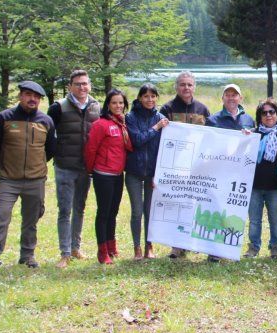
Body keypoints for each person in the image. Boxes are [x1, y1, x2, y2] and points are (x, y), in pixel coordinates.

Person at [0, 81, 56, 277]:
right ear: (20, 96)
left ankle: (27, 255)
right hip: (9, 179)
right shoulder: (5, 118)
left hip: (36, 180)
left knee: (32, 218)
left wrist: (36, 167)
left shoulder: (46, 121)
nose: (32, 99)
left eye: (36, 97)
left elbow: (50, 149)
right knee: (0, 215)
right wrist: (4, 166)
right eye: (28, 95)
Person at [47, 69, 101, 269]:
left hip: (85, 168)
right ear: (70, 86)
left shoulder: (96, 106)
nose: (82, 87)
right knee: (65, 210)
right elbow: (47, 134)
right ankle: (65, 253)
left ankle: (76, 247)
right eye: (77, 84)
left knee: (80, 208)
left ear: (90, 85)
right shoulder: (58, 107)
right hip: (65, 166)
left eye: (85, 83)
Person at [159, 71, 211, 258]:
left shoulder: (203, 110)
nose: (186, 88)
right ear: (176, 87)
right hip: (175, 165)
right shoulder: (166, 109)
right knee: (177, 203)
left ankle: (192, 240)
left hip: (197, 165)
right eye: (182, 84)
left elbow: (211, 138)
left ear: (194, 87)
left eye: (189, 84)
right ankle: (176, 244)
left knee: (194, 203)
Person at [85, 89, 133, 265]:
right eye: (114, 103)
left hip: (118, 174)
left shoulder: (123, 124)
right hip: (103, 174)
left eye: (121, 103)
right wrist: (91, 170)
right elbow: (91, 149)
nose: (118, 106)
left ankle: (112, 246)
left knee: (113, 212)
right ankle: (102, 251)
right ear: (108, 105)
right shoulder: (101, 124)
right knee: (103, 213)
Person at [125, 83, 169, 260]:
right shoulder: (131, 117)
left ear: (157, 98)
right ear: (139, 98)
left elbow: (165, 148)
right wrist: (156, 128)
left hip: (152, 173)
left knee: (150, 211)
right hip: (134, 172)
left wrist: (159, 173)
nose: (150, 100)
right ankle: (137, 248)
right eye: (146, 96)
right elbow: (137, 140)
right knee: (136, 211)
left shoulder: (161, 118)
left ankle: (149, 246)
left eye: (153, 96)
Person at [244, 98, 277, 259]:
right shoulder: (252, 134)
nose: (268, 115)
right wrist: (242, 137)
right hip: (254, 186)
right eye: (264, 113)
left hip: (276, 186)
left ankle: (275, 247)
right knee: (255, 219)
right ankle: (253, 247)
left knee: (275, 219)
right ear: (260, 116)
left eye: (271, 112)